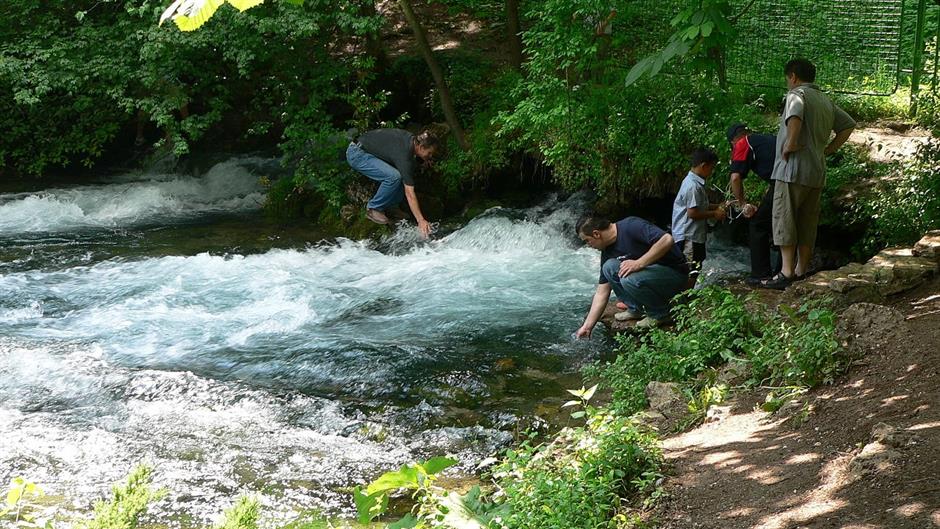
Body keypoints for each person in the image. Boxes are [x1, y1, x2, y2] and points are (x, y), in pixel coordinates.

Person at [761, 59, 856, 289]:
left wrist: (790, 143)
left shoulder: (797, 95)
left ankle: (785, 273)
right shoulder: (825, 100)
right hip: (816, 172)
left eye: (787, 79)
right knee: (807, 221)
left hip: (792, 170)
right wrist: (828, 149)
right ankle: (801, 270)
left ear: (793, 76)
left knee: (785, 217)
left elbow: (795, 116)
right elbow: (848, 125)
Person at [574, 213, 689, 336]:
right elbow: (602, 292)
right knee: (609, 267)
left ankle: (661, 314)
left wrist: (639, 263)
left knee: (628, 278)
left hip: (674, 276)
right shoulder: (607, 251)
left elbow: (667, 239)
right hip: (650, 279)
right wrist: (587, 326)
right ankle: (636, 309)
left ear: (596, 234)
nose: (588, 246)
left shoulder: (631, 226)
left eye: (587, 241)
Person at [346, 128, 440, 238]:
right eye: (429, 153)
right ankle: (373, 209)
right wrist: (421, 220)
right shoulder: (404, 154)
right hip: (357, 154)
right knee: (394, 177)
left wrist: (422, 160)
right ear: (421, 147)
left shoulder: (410, 141)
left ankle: (391, 206)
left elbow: (406, 164)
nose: (430, 156)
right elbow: (410, 193)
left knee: (402, 175)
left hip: (365, 151)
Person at [726, 123, 778, 284]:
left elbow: (735, 178)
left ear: (734, 141)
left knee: (757, 224)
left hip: (783, 183)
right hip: (800, 180)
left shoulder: (742, 143)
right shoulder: (766, 139)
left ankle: (760, 275)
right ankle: (785, 272)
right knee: (785, 223)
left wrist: (742, 204)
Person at [671, 147, 727, 285]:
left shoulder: (694, 183)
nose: (712, 171)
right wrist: (715, 213)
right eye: (711, 168)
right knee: (690, 268)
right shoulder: (692, 186)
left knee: (696, 265)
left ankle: (687, 296)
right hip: (688, 236)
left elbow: (698, 206)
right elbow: (692, 213)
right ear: (703, 166)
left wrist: (719, 206)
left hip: (694, 234)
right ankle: (685, 298)